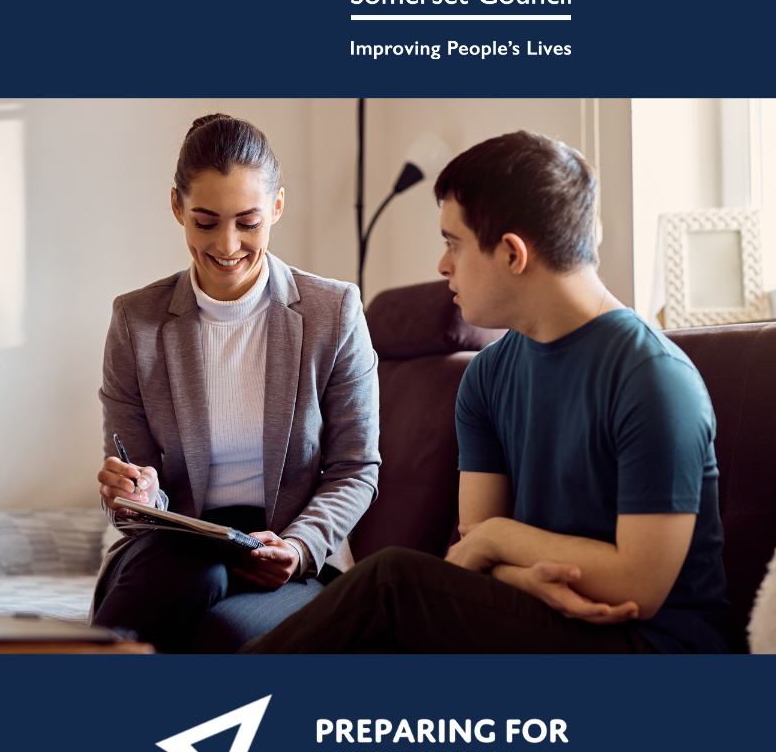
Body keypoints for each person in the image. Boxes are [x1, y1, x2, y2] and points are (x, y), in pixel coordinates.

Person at [249, 131, 732, 654]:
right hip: (540, 615)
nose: (443, 265)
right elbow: (471, 554)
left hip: (650, 645)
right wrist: (516, 572)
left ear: (511, 253)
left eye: (452, 243)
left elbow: (638, 585)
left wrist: (501, 541)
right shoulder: (486, 376)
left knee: (391, 584)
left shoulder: (653, 379)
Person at [90, 114, 380, 652]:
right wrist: (138, 492)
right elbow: (130, 480)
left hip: (291, 558)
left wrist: (298, 547)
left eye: (248, 221)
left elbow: (355, 469)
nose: (228, 245)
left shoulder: (333, 313)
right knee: (191, 574)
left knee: (226, 633)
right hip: (170, 554)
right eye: (205, 222)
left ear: (277, 206)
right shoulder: (136, 321)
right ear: (176, 206)